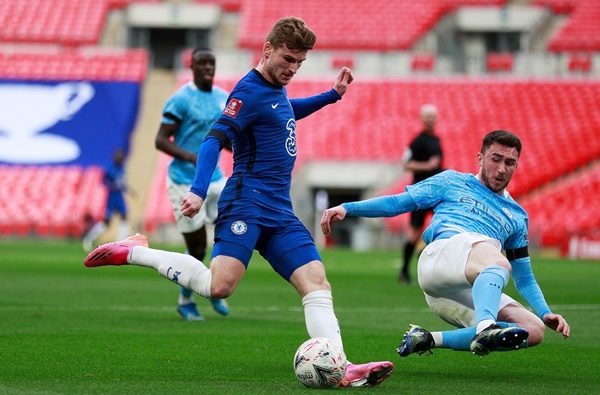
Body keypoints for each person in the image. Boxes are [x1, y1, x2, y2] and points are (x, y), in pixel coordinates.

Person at [84, 17, 394, 387]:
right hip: (245, 203)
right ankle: (135, 250)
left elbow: (284, 113)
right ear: (267, 50)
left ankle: (340, 367)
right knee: (220, 287)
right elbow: (213, 139)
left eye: (299, 62)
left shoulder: (274, 90)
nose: (292, 68)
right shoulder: (247, 92)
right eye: (287, 59)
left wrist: (332, 95)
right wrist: (199, 190)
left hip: (279, 210)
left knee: (317, 283)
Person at [321, 130, 570, 357]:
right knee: (496, 260)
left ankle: (428, 338)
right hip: (439, 260)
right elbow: (398, 203)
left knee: (532, 331)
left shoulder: (516, 215)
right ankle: (486, 326)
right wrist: (347, 207)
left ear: (517, 165)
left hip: (456, 293)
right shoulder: (451, 181)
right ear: (480, 158)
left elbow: (524, 277)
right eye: (495, 159)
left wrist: (545, 312)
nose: (501, 169)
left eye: (509, 162)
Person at [155, 48, 230, 321]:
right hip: (184, 181)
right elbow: (160, 140)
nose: (208, 67)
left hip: (217, 180)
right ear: (193, 67)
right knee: (197, 248)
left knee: (229, 236)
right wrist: (191, 156)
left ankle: (216, 287)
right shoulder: (181, 100)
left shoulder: (224, 98)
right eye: (202, 63)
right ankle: (186, 300)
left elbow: (228, 138)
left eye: (212, 62)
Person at [398, 104, 443, 285]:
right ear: (422, 119)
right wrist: (427, 166)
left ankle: (425, 258)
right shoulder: (418, 140)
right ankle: (404, 270)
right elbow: (406, 164)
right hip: (421, 193)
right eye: (427, 117)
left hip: (436, 193)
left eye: (433, 117)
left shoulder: (437, 139)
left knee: (441, 227)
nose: (430, 120)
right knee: (414, 232)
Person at [83, 148, 133, 251]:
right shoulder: (109, 168)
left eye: (121, 157)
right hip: (111, 197)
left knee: (124, 217)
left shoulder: (122, 169)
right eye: (118, 157)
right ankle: (89, 239)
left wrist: (129, 190)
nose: (120, 159)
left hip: (119, 196)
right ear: (114, 157)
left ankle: (120, 243)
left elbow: (122, 183)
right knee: (107, 222)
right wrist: (111, 185)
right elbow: (103, 181)